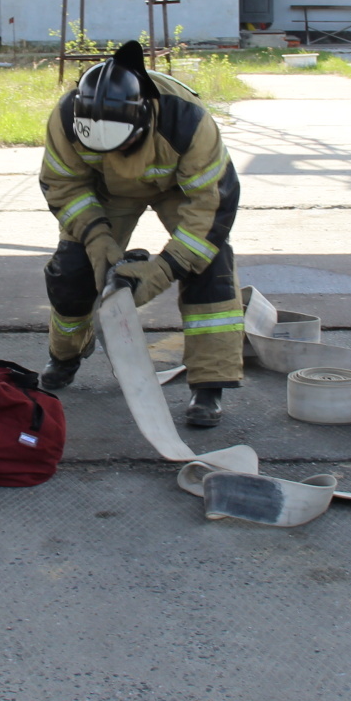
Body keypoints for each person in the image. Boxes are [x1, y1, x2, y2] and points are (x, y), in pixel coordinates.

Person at [38, 41, 243, 428]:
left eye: (126, 143)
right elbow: (63, 185)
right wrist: (97, 239)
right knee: (71, 270)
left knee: (210, 265)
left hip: (178, 189)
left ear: (145, 117)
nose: (119, 152)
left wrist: (165, 268)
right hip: (107, 190)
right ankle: (65, 355)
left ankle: (209, 385)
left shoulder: (188, 123)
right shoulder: (67, 119)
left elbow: (211, 206)